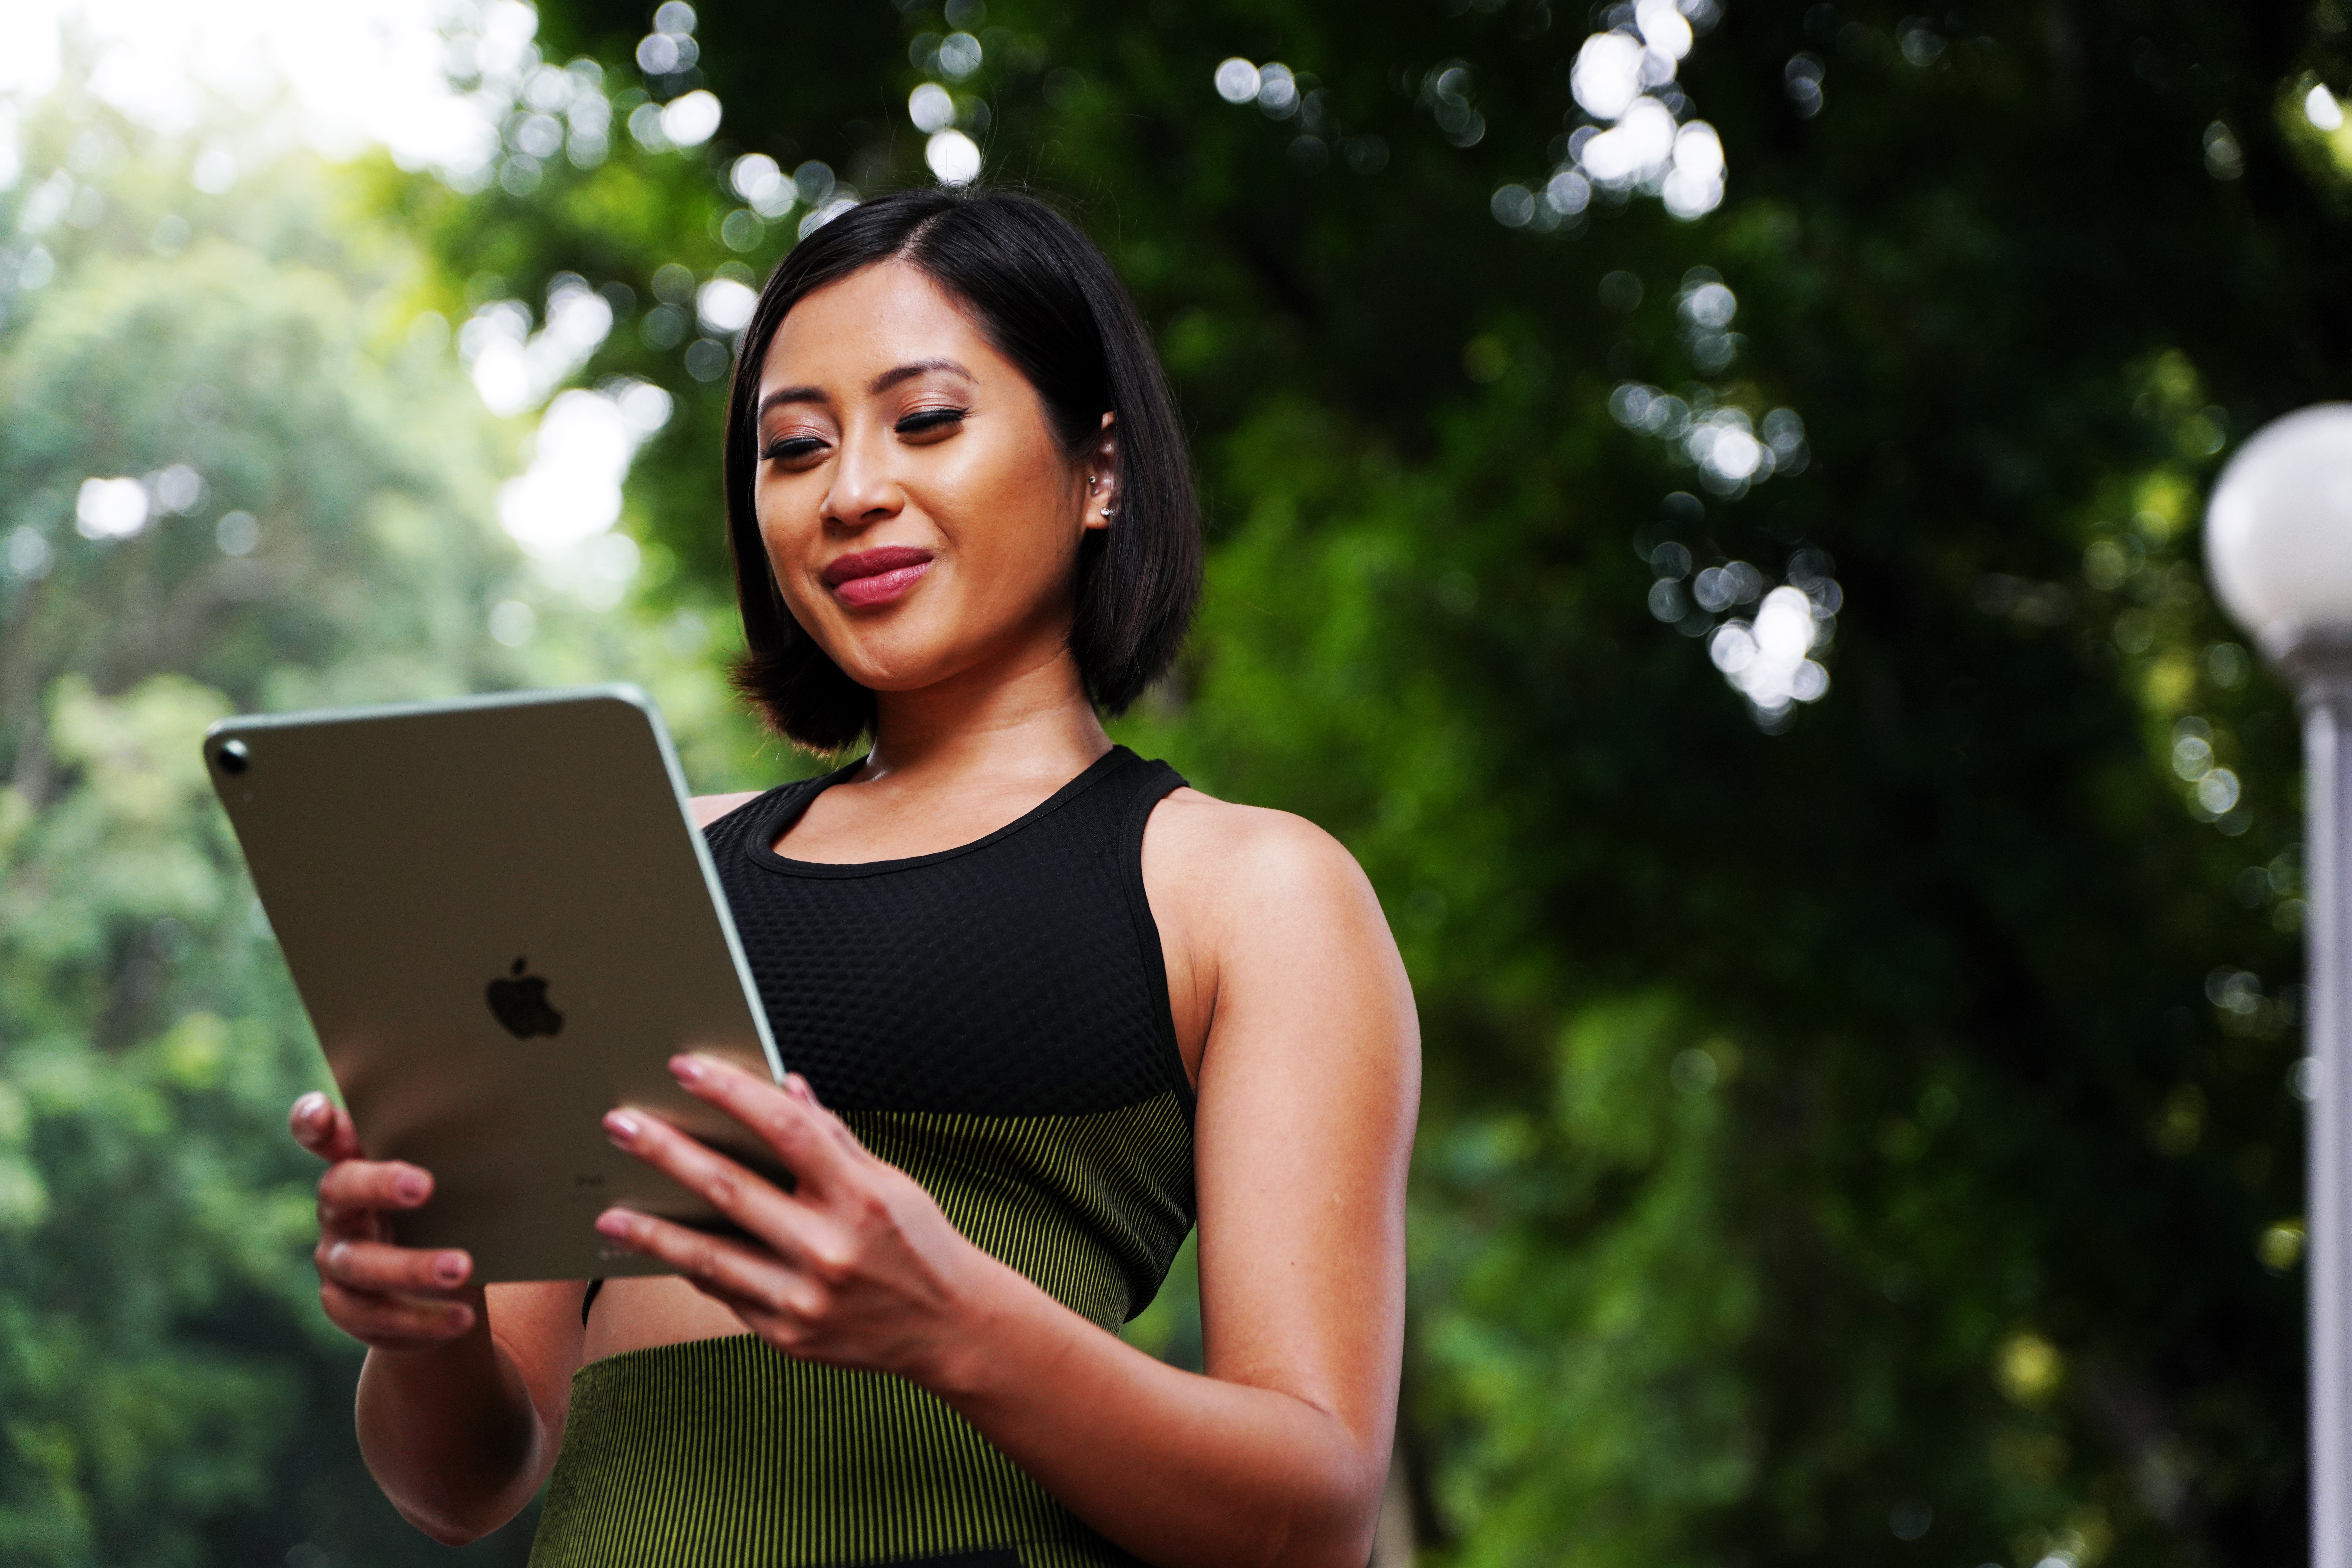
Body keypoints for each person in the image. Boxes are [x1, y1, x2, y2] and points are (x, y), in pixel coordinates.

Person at [288, 184, 1419, 1568]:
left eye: (927, 422)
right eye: (795, 448)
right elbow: (461, 1482)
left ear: (1101, 469)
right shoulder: (635, 864)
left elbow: (1315, 1517)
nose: (852, 493)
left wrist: (949, 1318)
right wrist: (429, 1321)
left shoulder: (1249, 891)